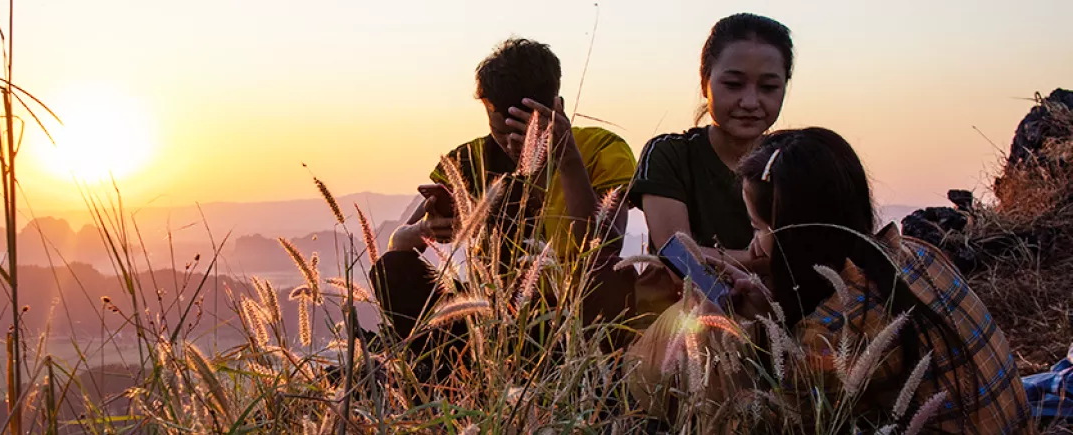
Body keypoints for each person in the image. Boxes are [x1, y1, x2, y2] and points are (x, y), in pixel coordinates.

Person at [631, 128, 1031, 433]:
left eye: (758, 228)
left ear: (794, 235)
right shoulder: (915, 252)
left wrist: (719, 339)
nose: (754, 247)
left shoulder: (831, 329)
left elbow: (761, 423)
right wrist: (767, 310)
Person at [369, 38, 638, 377]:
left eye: (525, 131)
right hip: (490, 319)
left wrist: (567, 161)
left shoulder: (600, 149)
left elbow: (602, 248)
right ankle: (457, 376)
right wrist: (424, 230)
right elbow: (399, 245)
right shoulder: (470, 159)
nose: (511, 145)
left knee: (609, 279)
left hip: (571, 320)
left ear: (558, 106)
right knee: (392, 269)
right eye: (499, 131)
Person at [628, 13, 793, 267]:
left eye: (768, 87)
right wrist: (765, 259)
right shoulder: (670, 154)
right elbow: (675, 255)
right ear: (705, 82)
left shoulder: (795, 159)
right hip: (686, 307)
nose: (750, 102)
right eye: (733, 84)